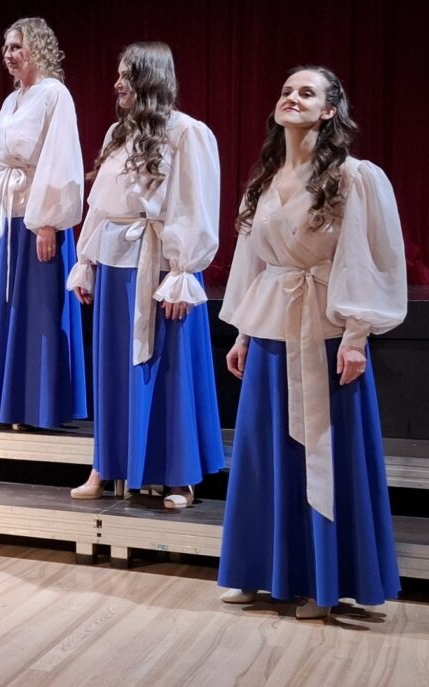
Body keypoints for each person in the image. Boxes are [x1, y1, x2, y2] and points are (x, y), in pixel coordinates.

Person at [217, 66, 405, 619]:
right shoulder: (265, 180)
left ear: (328, 110)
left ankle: (320, 582)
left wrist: (356, 335)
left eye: (306, 92)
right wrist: (243, 331)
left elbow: (365, 256)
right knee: (263, 459)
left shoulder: (353, 176)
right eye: (286, 91)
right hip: (272, 331)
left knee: (321, 455)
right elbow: (253, 263)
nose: (292, 98)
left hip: (325, 333)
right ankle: (259, 571)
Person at [67, 42, 224, 508]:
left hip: (160, 268)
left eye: (127, 75)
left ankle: (178, 477)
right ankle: (107, 464)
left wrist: (182, 272)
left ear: (151, 79)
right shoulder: (117, 134)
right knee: (115, 370)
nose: (117, 84)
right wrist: (85, 263)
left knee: (167, 369)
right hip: (116, 265)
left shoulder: (186, 133)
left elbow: (194, 205)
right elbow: (101, 206)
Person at [0, 17, 87, 431]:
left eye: (16, 46)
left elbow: (60, 159)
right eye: (6, 48)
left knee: (36, 312)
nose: (8, 54)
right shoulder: (11, 100)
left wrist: (47, 222)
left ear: (37, 48)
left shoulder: (55, 95)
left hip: (36, 219)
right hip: (6, 215)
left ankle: (35, 407)